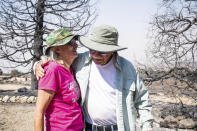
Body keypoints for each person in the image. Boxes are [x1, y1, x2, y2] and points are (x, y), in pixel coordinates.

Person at [34, 25, 153, 131]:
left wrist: (147, 128)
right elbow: (55, 62)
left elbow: (143, 100)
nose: (95, 54)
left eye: (101, 51)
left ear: (112, 50)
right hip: (90, 128)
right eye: (92, 49)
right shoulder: (80, 61)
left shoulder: (126, 68)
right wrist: (38, 64)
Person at [34, 28, 84, 131]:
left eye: (75, 42)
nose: (76, 45)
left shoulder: (70, 69)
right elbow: (39, 112)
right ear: (57, 49)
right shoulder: (52, 70)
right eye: (71, 43)